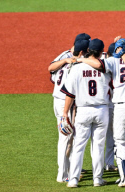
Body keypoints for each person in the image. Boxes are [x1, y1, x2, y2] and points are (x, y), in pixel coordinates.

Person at [77, 38, 125, 187]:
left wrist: (81, 60)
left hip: (121, 106)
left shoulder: (113, 60)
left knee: (121, 143)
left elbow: (98, 64)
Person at [61, 39, 111, 187]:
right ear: (102, 51)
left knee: (78, 146)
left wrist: (65, 113)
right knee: (98, 146)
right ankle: (97, 179)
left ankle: (74, 180)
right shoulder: (105, 66)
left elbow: (69, 94)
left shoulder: (76, 68)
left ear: (89, 49)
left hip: (83, 110)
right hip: (102, 110)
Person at [48, 33, 90, 183]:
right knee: (66, 138)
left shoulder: (66, 58)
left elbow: (51, 72)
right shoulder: (77, 64)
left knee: (68, 137)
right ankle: (62, 174)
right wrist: (66, 112)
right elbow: (71, 91)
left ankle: (71, 168)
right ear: (81, 52)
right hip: (66, 103)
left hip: (57, 99)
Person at [104, 42, 118, 172]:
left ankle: (107, 163)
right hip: (113, 104)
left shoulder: (104, 63)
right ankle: (109, 163)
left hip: (104, 104)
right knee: (113, 136)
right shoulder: (118, 64)